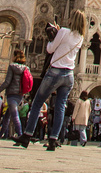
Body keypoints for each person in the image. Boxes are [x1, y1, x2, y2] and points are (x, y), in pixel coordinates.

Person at [17, 8, 86, 152]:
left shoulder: (64, 32)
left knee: (37, 103)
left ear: (71, 19)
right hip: (69, 76)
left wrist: (53, 37)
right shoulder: (80, 37)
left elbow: (50, 49)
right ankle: (53, 139)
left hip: (55, 72)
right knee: (60, 107)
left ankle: (27, 135)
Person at [0, 48, 29, 144]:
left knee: (15, 115)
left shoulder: (12, 67)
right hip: (20, 94)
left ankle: (21, 138)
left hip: (12, 94)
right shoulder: (26, 68)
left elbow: (7, 82)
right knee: (7, 116)